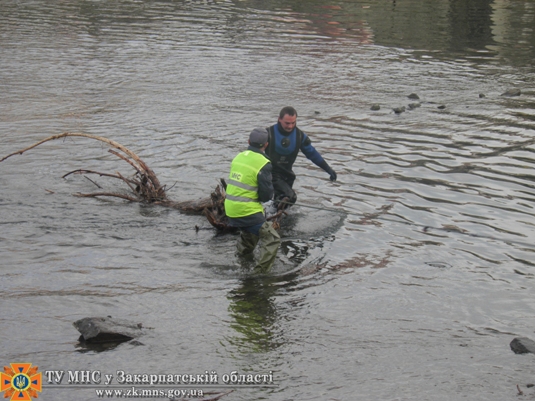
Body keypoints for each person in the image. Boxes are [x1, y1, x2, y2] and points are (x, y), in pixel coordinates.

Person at [224, 128, 281, 273]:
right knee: (272, 238)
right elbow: (266, 196)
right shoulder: (264, 163)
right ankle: (259, 274)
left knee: (250, 234)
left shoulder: (238, 157)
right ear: (266, 145)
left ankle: (242, 264)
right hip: (247, 211)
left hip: (230, 209)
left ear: (249, 142)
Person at [266, 106, 337, 209]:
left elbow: (312, 154)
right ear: (279, 119)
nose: (290, 126)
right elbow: (253, 153)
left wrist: (328, 169)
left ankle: (274, 219)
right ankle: (273, 217)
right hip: (271, 174)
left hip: (287, 175)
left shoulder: (299, 136)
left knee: (282, 202)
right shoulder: (268, 134)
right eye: (287, 123)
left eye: (293, 123)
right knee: (290, 197)